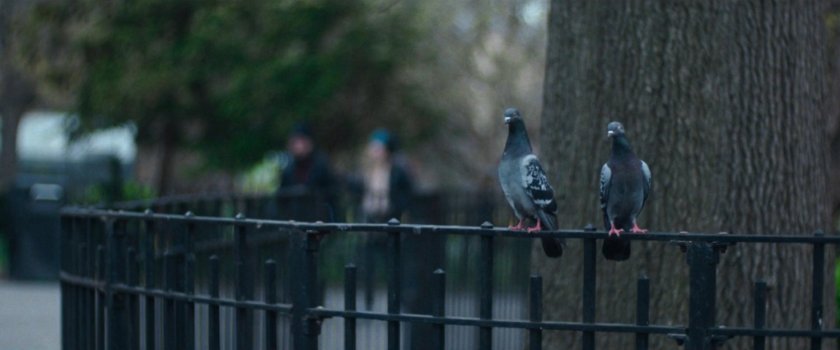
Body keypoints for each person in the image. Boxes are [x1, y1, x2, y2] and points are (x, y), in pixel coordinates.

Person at [276, 123, 339, 220]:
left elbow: (331, 196)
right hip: (295, 221)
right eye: (295, 142)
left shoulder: (320, 166)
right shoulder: (288, 168)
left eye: (301, 141)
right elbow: (281, 198)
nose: (298, 146)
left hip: (318, 220)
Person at [358, 129, 414, 223]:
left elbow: (406, 194)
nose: (374, 152)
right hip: (370, 217)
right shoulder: (366, 171)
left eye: (378, 149)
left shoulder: (398, 172)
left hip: (391, 217)